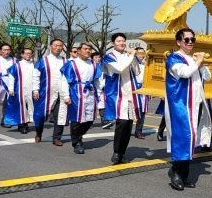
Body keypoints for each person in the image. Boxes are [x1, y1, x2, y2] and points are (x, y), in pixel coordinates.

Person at [164, 28, 212, 189]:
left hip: (195, 104)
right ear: (179, 42)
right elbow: (184, 73)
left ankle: (184, 174)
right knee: (182, 137)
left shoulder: (193, 59)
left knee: (191, 138)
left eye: (193, 39)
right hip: (180, 105)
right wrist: (197, 61)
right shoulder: (173, 58)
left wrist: (200, 64)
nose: (190, 42)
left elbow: (207, 76)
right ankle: (176, 172)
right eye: (187, 40)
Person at [102, 33, 141, 164]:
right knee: (122, 123)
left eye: (123, 41)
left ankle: (122, 152)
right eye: (118, 41)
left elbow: (137, 72)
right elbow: (119, 68)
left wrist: (135, 58)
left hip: (130, 93)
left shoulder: (128, 56)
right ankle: (117, 152)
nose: (122, 43)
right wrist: (131, 56)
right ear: (113, 43)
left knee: (129, 124)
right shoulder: (108, 57)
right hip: (117, 95)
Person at [60, 43, 101, 154]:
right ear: (78, 51)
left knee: (90, 118)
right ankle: (77, 143)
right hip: (76, 92)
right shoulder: (71, 64)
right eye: (85, 49)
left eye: (89, 49)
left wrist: (99, 94)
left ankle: (79, 134)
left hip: (90, 92)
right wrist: (66, 95)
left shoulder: (94, 64)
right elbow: (64, 80)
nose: (88, 51)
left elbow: (97, 81)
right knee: (77, 118)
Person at [32, 39, 67, 144]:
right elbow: (36, 76)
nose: (58, 48)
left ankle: (57, 138)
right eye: (56, 45)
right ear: (50, 47)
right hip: (45, 92)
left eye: (60, 46)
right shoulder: (43, 61)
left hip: (61, 93)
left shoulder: (66, 61)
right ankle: (39, 133)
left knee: (60, 115)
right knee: (40, 115)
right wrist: (35, 90)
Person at [4, 48, 35, 134]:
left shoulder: (34, 65)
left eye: (30, 53)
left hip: (31, 90)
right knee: (21, 108)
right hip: (20, 90)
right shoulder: (17, 65)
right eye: (26, 53)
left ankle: (25, 123)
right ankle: (23, 125)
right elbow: (11, 78)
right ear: (22, 55)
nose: (28, 55)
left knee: (30, 108)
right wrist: (11, 89)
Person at [132, 47, 149, 139]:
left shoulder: (147, 64)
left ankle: (139, 131)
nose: (142, 55)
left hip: (143, 90)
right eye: (139, 53)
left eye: (143, 53)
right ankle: (126, 130)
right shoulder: (131, 63)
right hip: (133, 89)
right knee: (131, 111)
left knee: (142, 111)